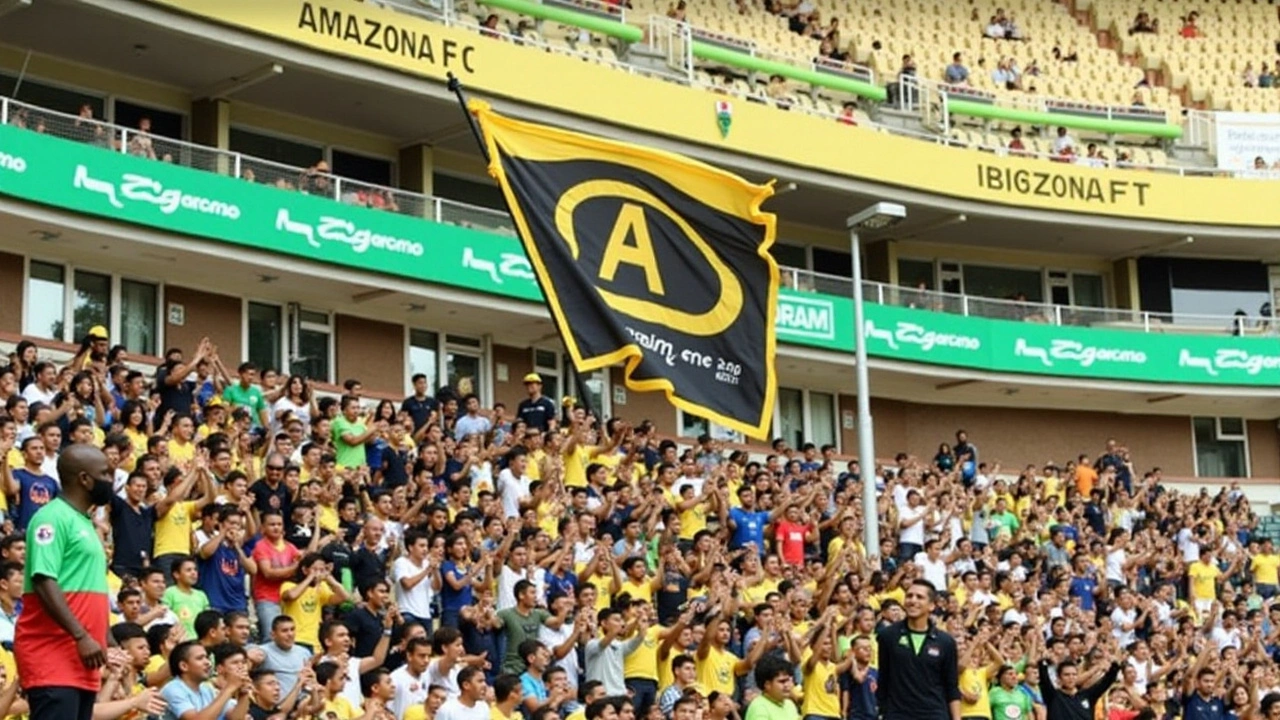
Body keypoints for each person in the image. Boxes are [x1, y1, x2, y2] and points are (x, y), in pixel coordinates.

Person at [16, 444, 114, 720]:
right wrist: (82, 635)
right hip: (53, 653)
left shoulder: (83, 521)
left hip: (82, 658)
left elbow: (87, 588)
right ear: (84, 479)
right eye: (104, 473)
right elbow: (44, 580)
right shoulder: (52, 517)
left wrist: (106, 637)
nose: (110, 479)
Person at [876, 579, 961, 720]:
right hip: (898, 714)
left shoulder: (945, 642)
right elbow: (884, 679)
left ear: (932, 605)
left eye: (919, 597)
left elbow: (951, 686)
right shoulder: (888, 636)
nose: (912, 600)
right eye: (909, 596)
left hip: (935, 714)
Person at [743, 655, 799, 720]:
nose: (787, 685)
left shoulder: (789, 704)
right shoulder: (759, 708)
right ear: (767, 685)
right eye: (782, 681)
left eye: (789, 680)